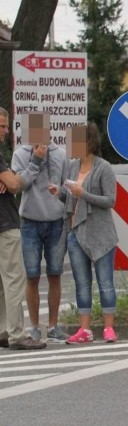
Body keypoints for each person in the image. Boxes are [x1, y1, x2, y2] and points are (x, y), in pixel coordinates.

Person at [50, 122, 119, 344]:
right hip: (75, 231)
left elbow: (110, 201)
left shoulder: (104, 167)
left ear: (88, 142)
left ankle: (109, 328)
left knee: (105, 282)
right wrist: (60, 193)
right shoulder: (71, 166)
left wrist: (84, 193)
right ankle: (85, 329)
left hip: (101, 234)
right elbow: (71, 198)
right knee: (82, 283)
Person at [12, 124, 70, 343]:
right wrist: (35, 160)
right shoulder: (19, 155)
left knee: (55, 274)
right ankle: (35, 327)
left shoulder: (61, 155)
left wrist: (62, 194)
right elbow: (20, 185)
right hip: (29, 221)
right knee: (32, 276)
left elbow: (66, 188)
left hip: (56, 221)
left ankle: (53, 326)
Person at [0, 107, 46, 350]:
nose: (6, 131)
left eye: (7, 126)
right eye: (1, 126)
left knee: (1, 282)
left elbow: (10, 182)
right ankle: (17, 335)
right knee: (14, 280)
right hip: (5, 224)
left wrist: (10, 179)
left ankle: (3, 330)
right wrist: (31, 165)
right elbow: (15, 185)